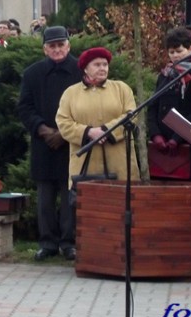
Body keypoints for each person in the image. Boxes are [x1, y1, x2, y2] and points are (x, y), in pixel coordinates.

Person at [56, 47, 139, 255]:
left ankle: (121, 252)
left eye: (105, 64)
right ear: (86, 68)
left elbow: (131, 115)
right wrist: (88, 132)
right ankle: (92, 253)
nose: (103, 68)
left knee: (120, 206)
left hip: (118, 158)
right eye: (97, 65)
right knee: (90, 209)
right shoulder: (70, 93)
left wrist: (106, 131)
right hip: (86, 161)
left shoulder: (121, 89)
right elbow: (63, 122)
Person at [17, 26, 82, 261]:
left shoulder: (80, 71)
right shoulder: (32, 73)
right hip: (44, 142)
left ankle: (69, 242)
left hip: (71, 143)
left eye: (60, 45)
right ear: (44, 49)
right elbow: (24, 107)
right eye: (52, 46)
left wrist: (64, 133)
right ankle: (47, 243)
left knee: (68, 197)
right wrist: (43, 130)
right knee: (45, 197)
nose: (57, 49)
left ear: (68, 45)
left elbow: (86, 107)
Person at [147, 27, 191, 182]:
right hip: (162, 146)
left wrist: (177, 138)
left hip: (188, 143)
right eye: (171, 52)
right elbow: (153, 106)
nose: (175, 56)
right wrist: (155, 135)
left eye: (179, 51)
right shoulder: (165, 75)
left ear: (190, 49)